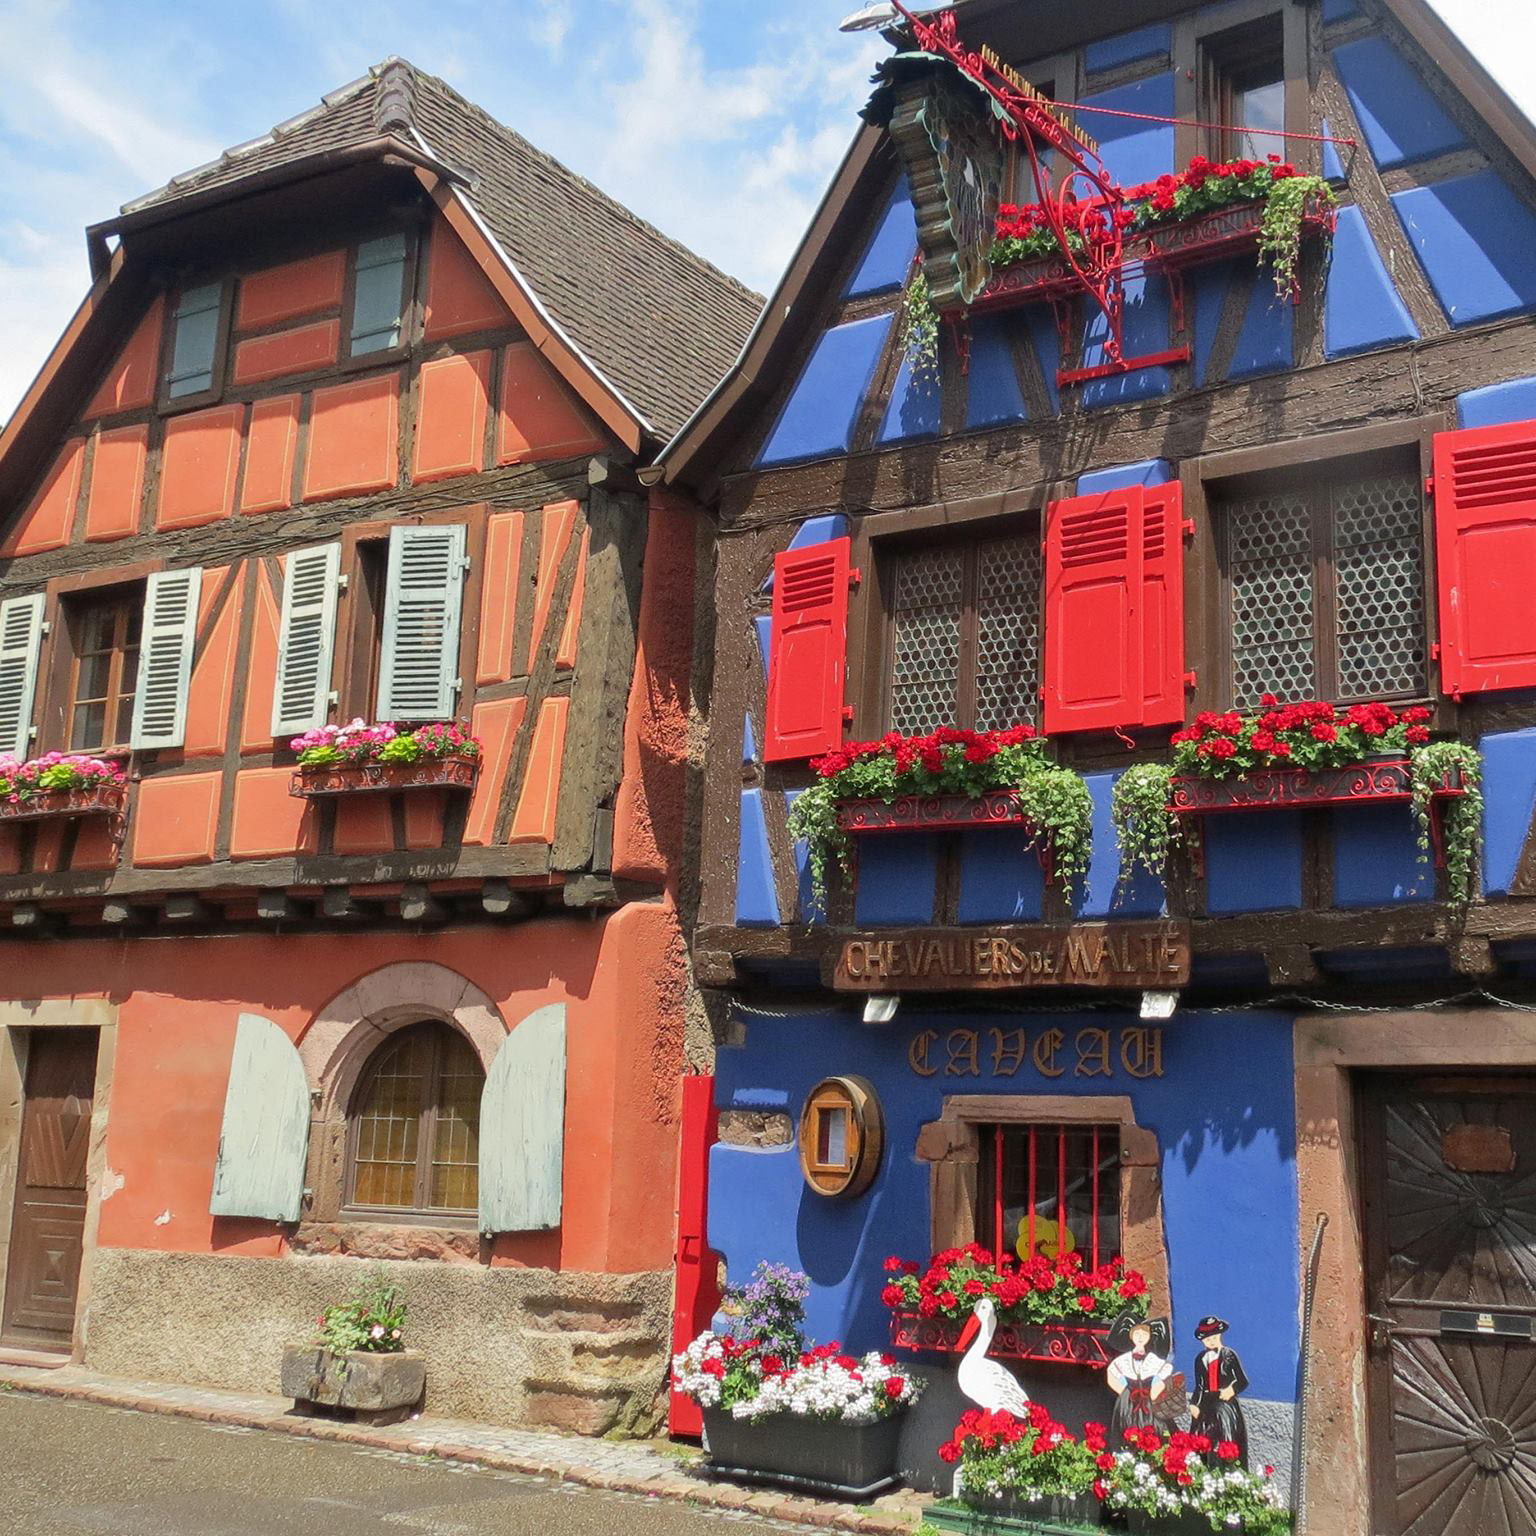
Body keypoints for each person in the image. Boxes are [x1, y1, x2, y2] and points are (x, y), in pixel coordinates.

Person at [1106, 1312, 1183, 1440]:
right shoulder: (1123, 1360)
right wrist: (1124, 1391)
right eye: (1137, 1334)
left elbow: (1164, 1376)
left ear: (1149, 1337)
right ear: (1131, 1337)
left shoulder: (1154, 1361)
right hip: (1129, 1401)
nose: (1140, 1338)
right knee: (1126, 1427)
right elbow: (1112, 1374)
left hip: (1150, 1399)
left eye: (1144, 1335)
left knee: (1157, 1426)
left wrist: (1156, 1389)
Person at [1189, 1316, 1250, 1467]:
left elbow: (1242, 1380)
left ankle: (1227, 1467)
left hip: (1224, 1403)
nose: (1211, 1340)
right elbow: (1200, 1386)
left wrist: (1231, 1389)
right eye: (1207, 1338)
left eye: (1214, 1336)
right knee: (1200, 1438)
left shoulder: (1229, 1355)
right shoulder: (1200, 1359)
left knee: (1225, 1437)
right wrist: (1194, 1404)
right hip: (1206, 1403)